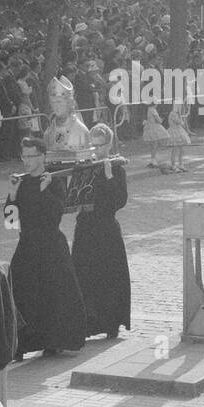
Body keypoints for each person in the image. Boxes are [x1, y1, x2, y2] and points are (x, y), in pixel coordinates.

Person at [5, 137, 87, 358]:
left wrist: (44, 190)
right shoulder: (20, 182)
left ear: (43, 156)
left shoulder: (53, 180)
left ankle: (54, 340)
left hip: (51, 246)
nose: (27, 161)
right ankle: (20, 345)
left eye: (32, 156)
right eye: (25, 156)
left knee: (55, 294)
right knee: (21, 294)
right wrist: (12, 196)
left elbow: (56, 215)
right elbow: (10, 223)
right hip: (27, 246)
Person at [70, 124, 131, 339]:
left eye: (101, 145)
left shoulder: (116, 168)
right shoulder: (85, 167)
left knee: (109, 277)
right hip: (85, 228)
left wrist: (108, 176)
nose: (96, 149)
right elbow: (74, 197)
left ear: (109, 144)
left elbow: (119, 201)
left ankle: (111, 322)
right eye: (93, 144)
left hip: (106, 230)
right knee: (83, 275)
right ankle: (86, 322)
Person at [142, 103, 168, 167]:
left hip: (150, 127)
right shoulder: (153, 110)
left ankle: (153, 159)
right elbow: (158, 120)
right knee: (155, 144)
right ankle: (153, 160)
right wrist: (161, 119)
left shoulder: (149, 109)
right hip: (154, 127)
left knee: (153, 144)